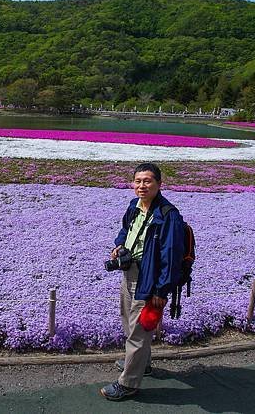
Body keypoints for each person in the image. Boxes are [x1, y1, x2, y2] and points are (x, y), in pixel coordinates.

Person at [100, 162, 185, 401]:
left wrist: (161, 289)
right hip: (130, 271)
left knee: (139, 330)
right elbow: (125, 230)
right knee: (128, 318)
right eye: (138, 181)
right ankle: (141, 362)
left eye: (147, 181)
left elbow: (170, 256)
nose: (142, 186)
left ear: (159, 184)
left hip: (150, 277)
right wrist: (119, 246)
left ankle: (128, 384)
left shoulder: (169, 216)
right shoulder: (134, 206)